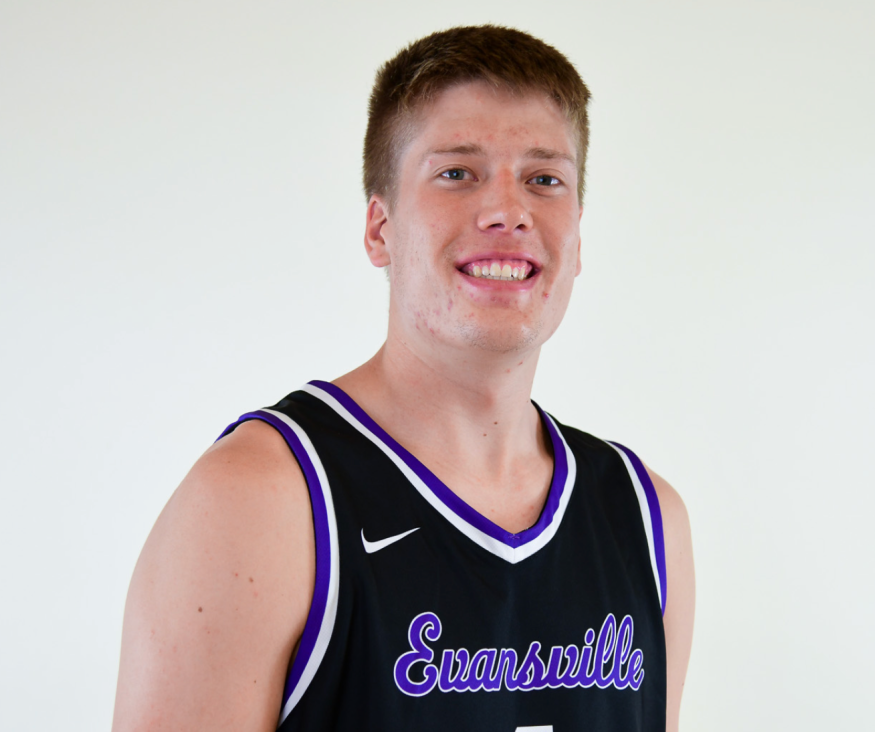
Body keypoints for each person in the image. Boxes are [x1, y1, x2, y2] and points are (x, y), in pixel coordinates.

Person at [113, 25, 695, 732]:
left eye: (544, 179)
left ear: (576, 234)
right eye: (457, 172)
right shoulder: (258, 500)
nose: (508, 210)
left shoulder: (645, 518)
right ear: (379, 229)